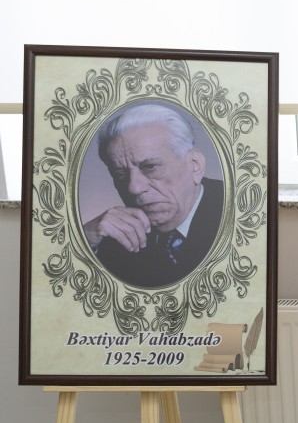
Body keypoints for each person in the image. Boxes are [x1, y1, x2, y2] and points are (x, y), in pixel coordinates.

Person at [83, 103, 224, 289]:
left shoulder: (241, 214)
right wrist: (84, 240)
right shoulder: (109, 242)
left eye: (150, 167)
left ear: (195, 165)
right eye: (120, 174)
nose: (134, 188)